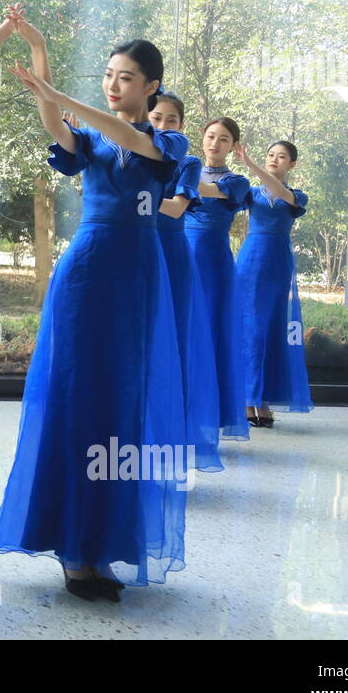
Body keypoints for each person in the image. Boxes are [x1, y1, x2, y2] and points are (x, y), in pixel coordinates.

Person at [0, 38, 189, 603]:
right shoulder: (92, 136)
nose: (113, 84)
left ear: (151, 86)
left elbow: (131, 138)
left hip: (138, 275)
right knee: (80, 398)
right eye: (108, 75)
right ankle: (75, 553)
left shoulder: (166, 140)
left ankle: (101, 548)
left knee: (123, 403)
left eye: (125, 78)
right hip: (86, 273)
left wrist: (64, 96)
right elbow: (56, 123)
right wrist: (42, 54)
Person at [149, 92, 223, 470]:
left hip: (173, 256)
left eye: (172, 120)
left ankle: (166, 449)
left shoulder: (188, 162)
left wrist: (136, 197)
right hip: (137, 252)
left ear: (181, 126)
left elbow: (177, 208)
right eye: (157, 118)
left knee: (172, 348)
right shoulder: (132, 155)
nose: (163, 126)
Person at [235, 140, 313, 426]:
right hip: (249, 262)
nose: (274, 160)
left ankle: (263, 400)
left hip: (277, 265)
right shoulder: (250, 193)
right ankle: (246, 400)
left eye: (281, 157)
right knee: (249, 330)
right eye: (270, 155)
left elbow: (281, 193)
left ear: (292, 164)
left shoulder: (297, 196)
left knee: (269, 331)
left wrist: (251, 165)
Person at [183, 118, 252, 440]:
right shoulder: (184, 168)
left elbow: (205, 190)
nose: (215, 143)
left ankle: (208, 414)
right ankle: (178, 410)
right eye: (211, 136)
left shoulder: (237, 182)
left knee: (210, 334)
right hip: (180, 255)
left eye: (223, 139)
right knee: (180, 333)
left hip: (214, 265)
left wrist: (172, 174)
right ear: (202, 137)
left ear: (232, 146)